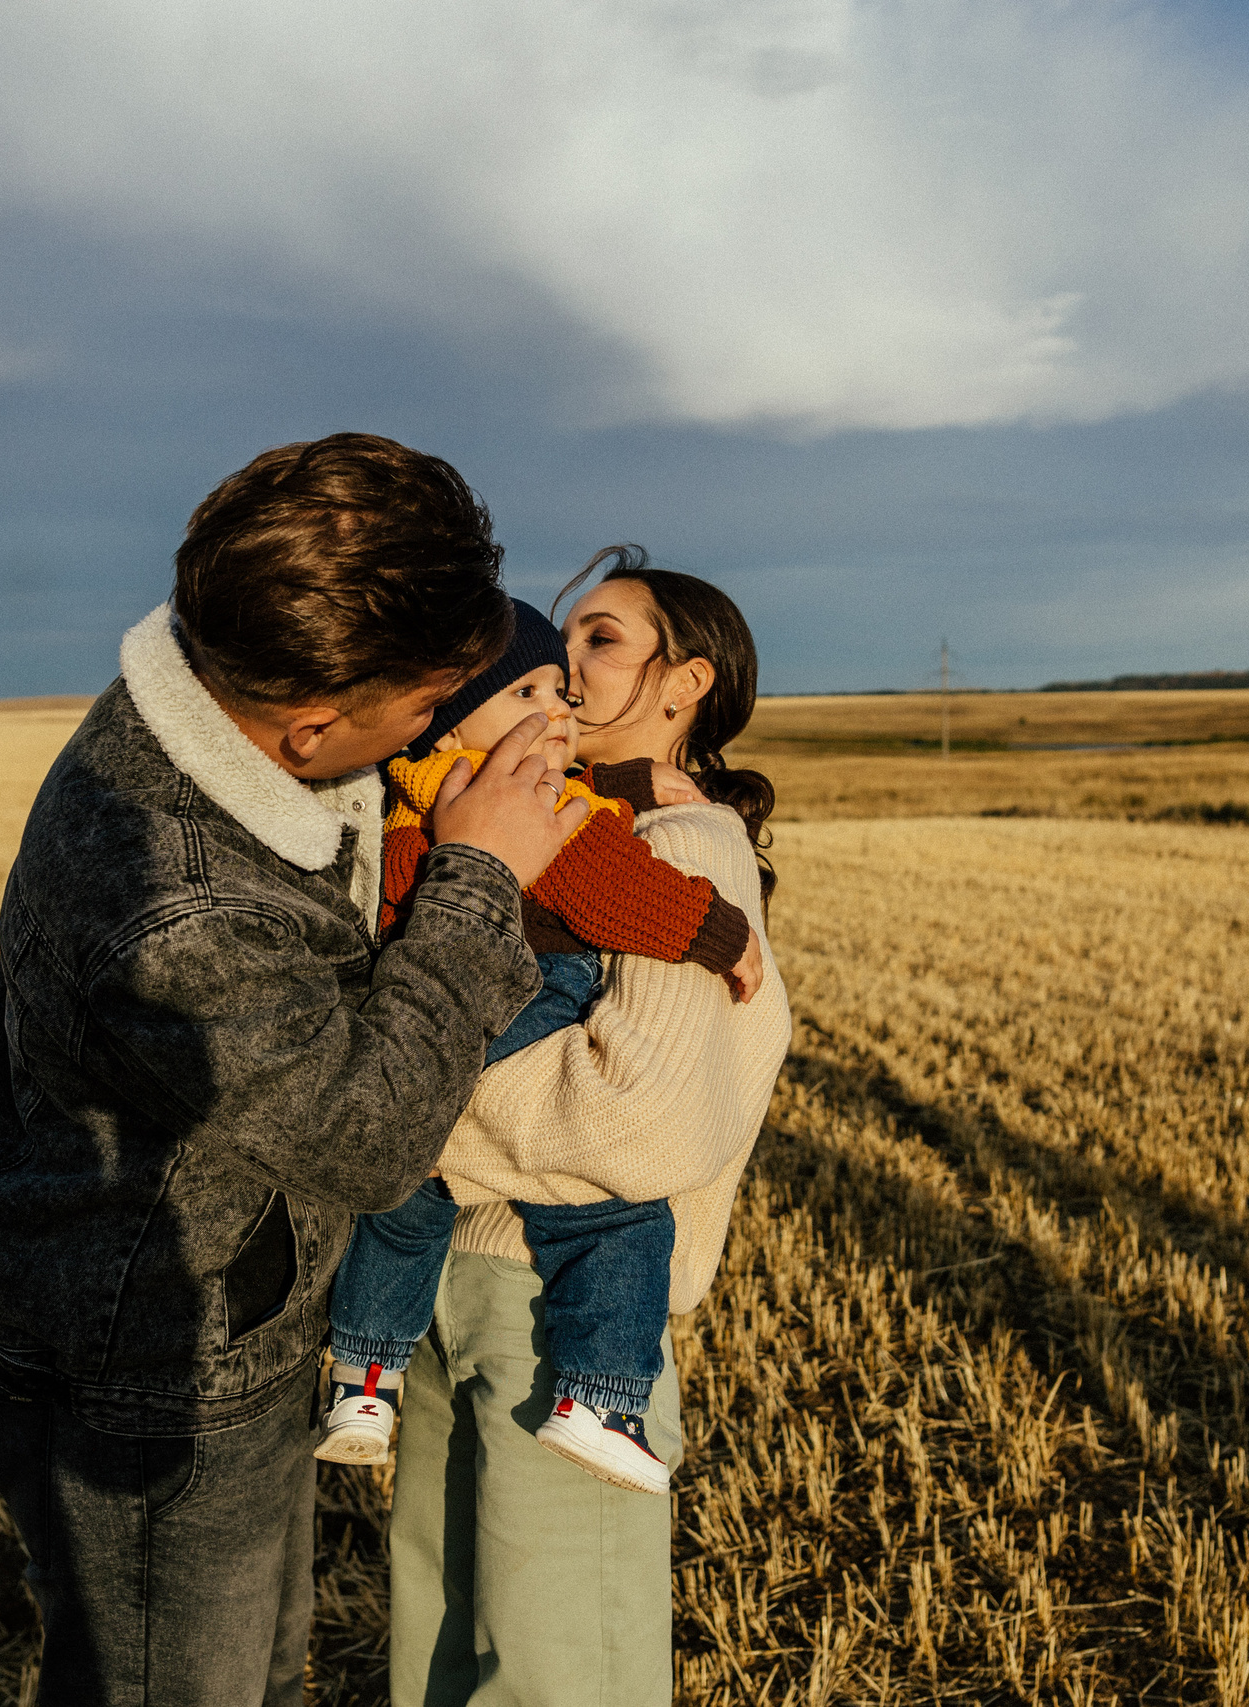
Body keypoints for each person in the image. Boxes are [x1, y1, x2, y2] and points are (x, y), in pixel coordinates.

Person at [0, 434, 588, 1707]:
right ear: (307, 729)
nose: (443, 725)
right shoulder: (184, 916)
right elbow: (364, 1140)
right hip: (157, 1380)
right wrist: (479, 879)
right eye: (425, 709)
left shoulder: (209, 681)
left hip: (203, 1309)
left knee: (252, 1668)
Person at [384, 548, 795, 1707]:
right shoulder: (526, 832)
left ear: (685, 685)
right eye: (558, 643)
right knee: (434, 1660)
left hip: (559, 1319)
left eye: (602, 641)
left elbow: (636, 1119)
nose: (559, 669)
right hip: (435, 1296)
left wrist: (395, 1119)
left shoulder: (683, 848)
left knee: (560, 1678)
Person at [314, 598, 764, 1491]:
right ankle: (600, 1394)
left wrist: (424, 1127)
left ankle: (363, 1376)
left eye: (594, 647)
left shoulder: (410, 795)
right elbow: (603, 878)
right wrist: (722, 935)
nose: (562, 695)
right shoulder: (533, 805)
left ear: (687, 683)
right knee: (619, 1218)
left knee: (400, 1207)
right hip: (508, 1272)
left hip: (433, 1078)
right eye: (536, 680)